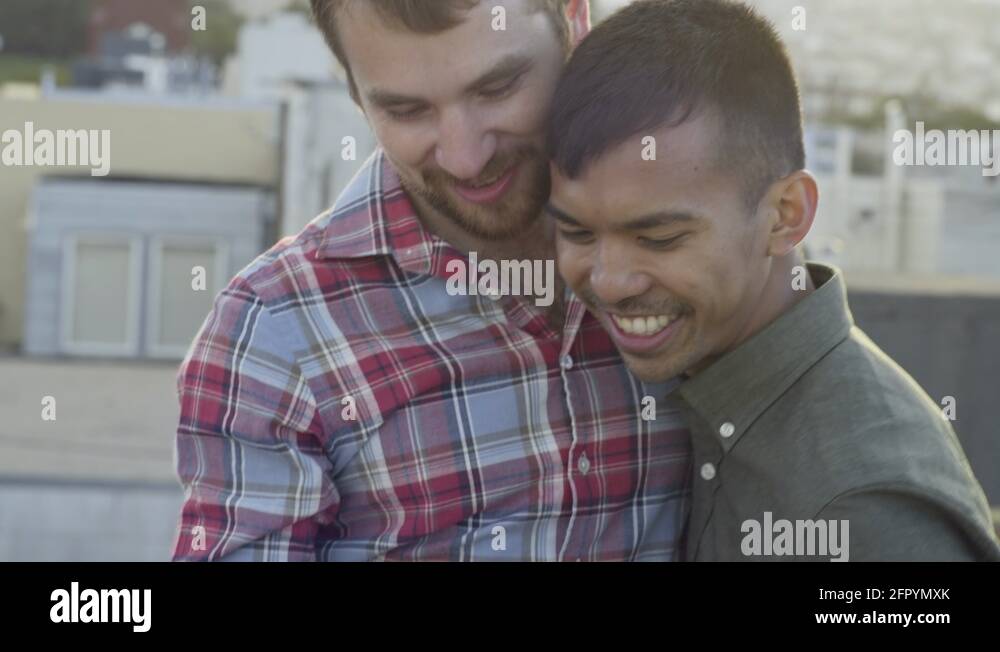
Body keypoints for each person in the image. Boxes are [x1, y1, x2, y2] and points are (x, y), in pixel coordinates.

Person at [171, 0, 691, 562]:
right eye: (406, 110)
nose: (466, 157)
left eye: (498, 88)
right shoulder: (271, 335)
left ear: (574, 20)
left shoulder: (693, 248)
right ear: (354, 93)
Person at [545, 0, 1000, 561]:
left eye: (659, 238)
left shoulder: (861, 511)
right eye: (577, 233)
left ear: (785, 214)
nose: (609, 282)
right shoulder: (696, 376)